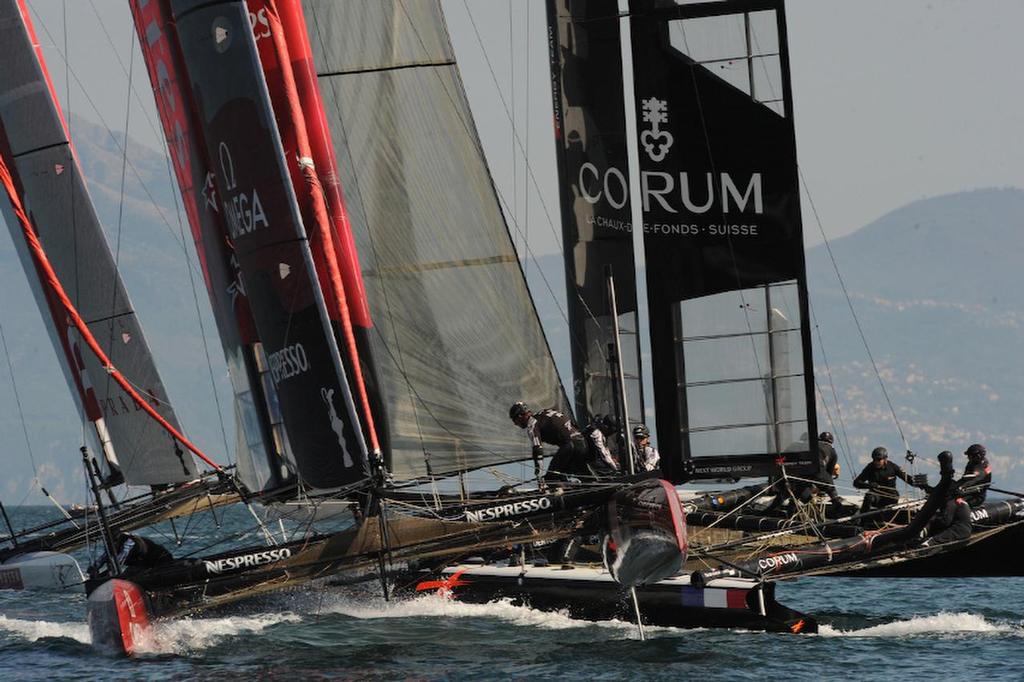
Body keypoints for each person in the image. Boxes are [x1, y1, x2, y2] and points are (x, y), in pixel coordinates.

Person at [509, 402, 588, 482]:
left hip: (570, 447)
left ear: (520, 416)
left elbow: (538, 449)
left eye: (514, 420)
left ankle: (561, 487)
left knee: (551, 480)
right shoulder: (546, 412)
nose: (515, 424)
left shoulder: (532, 423)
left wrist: (538, 473)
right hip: (583, 443)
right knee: (582, 476)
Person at [852, 446, 924, 514]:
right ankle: (862, 520)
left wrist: (924, 486)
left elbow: (907, 479)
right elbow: (856, 483)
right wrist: (869, 486)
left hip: (890, 497)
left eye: (879, 460)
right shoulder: (870, 468)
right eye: (874, 459)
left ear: (885, 459)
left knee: (891, 505)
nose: (876, 462)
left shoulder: (892, 467)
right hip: (877, 497)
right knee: (869, 497)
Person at [922, 480, 973, 547]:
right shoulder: (961, 500)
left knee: (929, 542)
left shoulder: (951, 503)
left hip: (957, 531)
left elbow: (946, 521)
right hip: (966, 530)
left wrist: (932, 520)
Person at [813, 432, 845, 511]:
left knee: (802, 491)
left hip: (803, 470)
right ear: (831, 442)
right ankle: (839, 511)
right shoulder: (832, 451)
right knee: (830, 487)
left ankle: (791, 510)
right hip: (819, 471)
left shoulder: (813, 446)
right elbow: (829, 472)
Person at [955, 443, 992, 507]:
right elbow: (965, 478)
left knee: (957, 501)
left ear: (978, 456)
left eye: (970, 456)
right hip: (967, 492)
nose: (968, 457)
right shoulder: (971, 463)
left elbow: (974, 479)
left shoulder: (983, 466)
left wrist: (961, 486)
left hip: (976, 496)